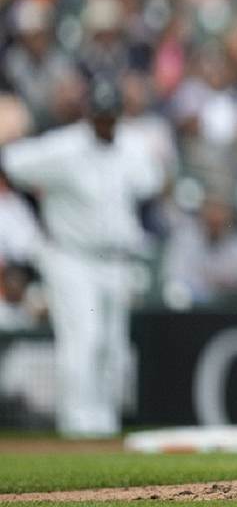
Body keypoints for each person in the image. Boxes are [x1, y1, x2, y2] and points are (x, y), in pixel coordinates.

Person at [0, 77, 164, 437]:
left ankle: (104, 425)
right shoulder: (63, 146)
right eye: (99, 115)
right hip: (71, 258)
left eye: (111, 115)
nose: (105, 122)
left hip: (115, 260)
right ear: (88, 114)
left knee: (112, 346)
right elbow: (11, 162)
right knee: (83, 340)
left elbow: (151, 183)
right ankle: (77, 427)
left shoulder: (132, 146)